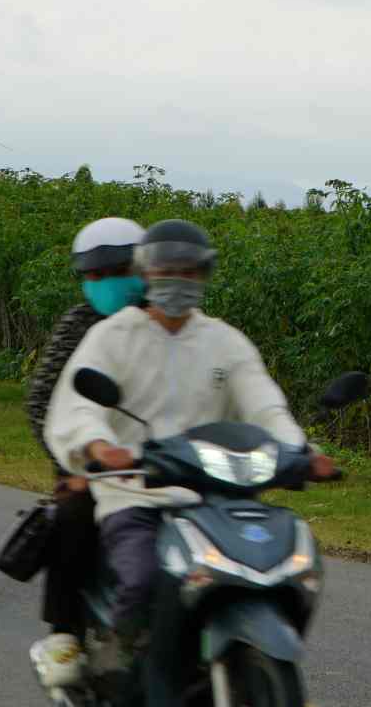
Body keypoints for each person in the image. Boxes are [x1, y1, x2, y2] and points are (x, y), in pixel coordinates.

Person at [42, 219, 337, 689]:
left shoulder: (225, 340)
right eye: (166, 270)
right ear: (145, 274)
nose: (177, 281)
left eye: (189, 271)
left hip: (217, 494)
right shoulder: (111, 336)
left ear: (205, 275)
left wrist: (301, 450)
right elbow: (78, 407)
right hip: (137, 494)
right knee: (141, 581)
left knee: (285, 571)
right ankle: (118, 672)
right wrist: (99, 445)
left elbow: (264, 404)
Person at [23, 216, 148, 691]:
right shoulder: (78, 326)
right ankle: (64, 633)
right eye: (92, 275)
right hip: (96, 467)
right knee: (71, 513)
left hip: (167, 466)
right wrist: (77, 462)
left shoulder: (172, 325)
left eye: (114, 271)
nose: (102, 283)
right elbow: (41, 402)